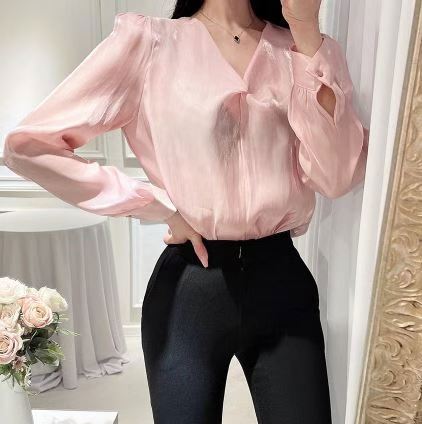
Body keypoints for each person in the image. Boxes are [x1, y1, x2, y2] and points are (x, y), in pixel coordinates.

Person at [4, 0, 369, 422]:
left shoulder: (302, 51)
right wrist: (153, 204)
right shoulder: (149, 43)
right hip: (190, 289)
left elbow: (337, 177)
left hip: (281, 281)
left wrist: (306, 30)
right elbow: (28, 145)